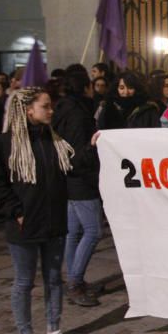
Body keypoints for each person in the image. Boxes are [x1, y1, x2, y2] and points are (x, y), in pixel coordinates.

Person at [0, 87, 77, 334]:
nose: (51, 111)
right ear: (28, 110)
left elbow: (75, 165)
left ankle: (54, 330)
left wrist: (95, 145)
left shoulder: (54, 140)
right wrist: (16, 211)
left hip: (54, 222)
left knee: (54, 279)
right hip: (24, 225)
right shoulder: (5, 143)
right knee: (24, 281)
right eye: (46, 106)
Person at [52, 70, 103, 308]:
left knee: (73, 233)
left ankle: (74, 278)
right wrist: (92, 149)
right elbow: (76, 152)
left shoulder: (64, 109)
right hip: (81, 179)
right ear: (85, 87)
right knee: (93, 231)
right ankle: (74, 282)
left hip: (69, 179)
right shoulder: (77, 114)